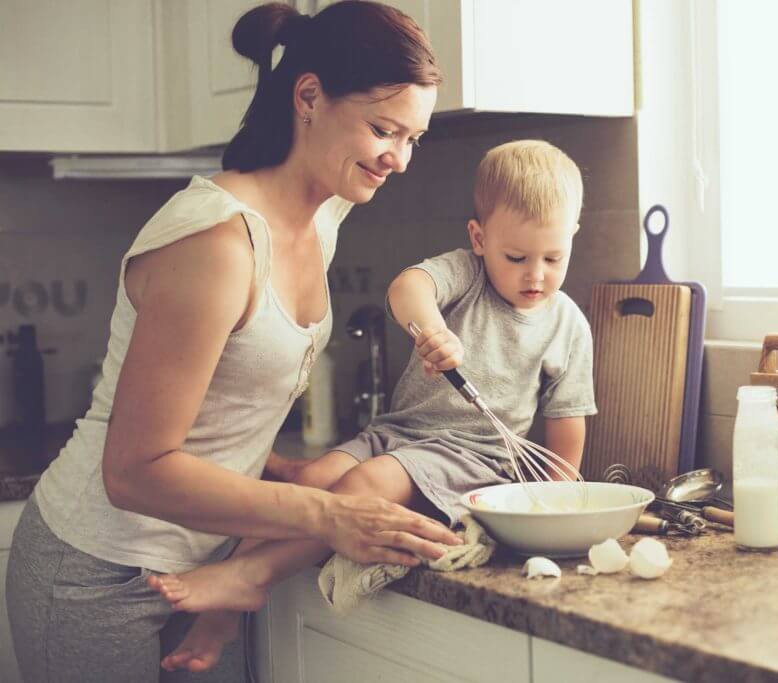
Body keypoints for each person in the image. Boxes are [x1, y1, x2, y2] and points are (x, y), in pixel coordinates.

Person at [4, 2, 464, 681]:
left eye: (413, 137)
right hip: (95, 573)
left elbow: (222, 394)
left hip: (209, 563)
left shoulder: (325, 211)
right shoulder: (217, 242)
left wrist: (279, 467)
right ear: (308, 96)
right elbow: (132, 468)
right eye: (383, 129)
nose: (399, 158)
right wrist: (327, 513)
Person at [146, 138, 598, 664]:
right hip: (399, 433)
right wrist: (430, 329)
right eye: (516, 257)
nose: (535, 274)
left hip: (474, 459)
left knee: (361, 488)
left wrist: (553, 512)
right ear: (478, 238)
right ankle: (220, 617)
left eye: (553, 257)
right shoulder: (465, 275)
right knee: (312, 484)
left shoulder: (568, 325)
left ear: (572, 240)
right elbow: (408, 287)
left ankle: (252, 573)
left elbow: (567, 442)